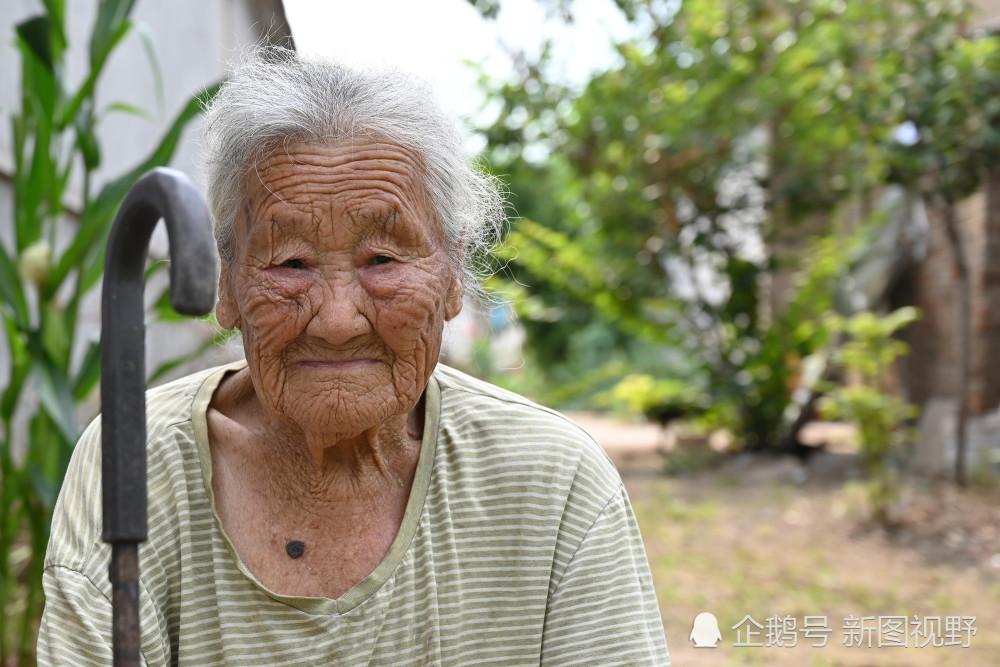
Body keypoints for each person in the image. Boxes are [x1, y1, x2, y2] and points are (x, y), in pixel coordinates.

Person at [37, 47, 670, 666]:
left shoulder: (552, 483)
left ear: (452, 277)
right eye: (291, 263)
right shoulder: (136, 461)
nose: (337, 321)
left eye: (383, 260)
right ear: (226, 286)